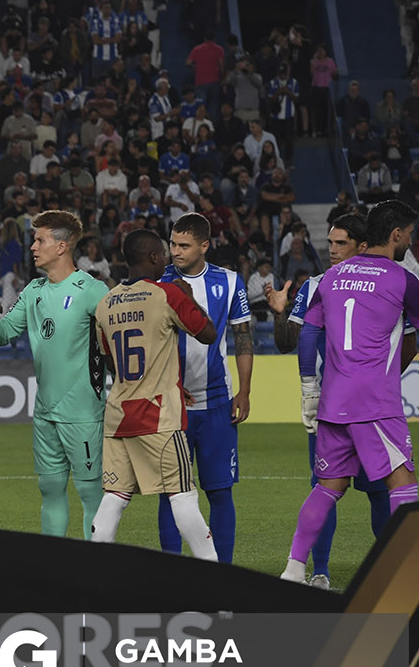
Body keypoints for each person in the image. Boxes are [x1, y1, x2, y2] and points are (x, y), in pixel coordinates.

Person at [264, 213, 415, 587]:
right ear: (396, 235)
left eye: (339, 242)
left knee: (328, 487)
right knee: (403, 483)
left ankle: (294, 569)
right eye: (410, 235)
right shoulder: (400, 278)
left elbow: (307, 332)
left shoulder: (328, 279)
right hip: (375, 402)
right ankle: (405, 573)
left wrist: (309, 390)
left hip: (334, 400)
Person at [89, 230, 219, 560]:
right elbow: (207, 333)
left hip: (118, 414)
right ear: (151, 258)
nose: (166, 259)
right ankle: (216, 574)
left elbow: (111, 362)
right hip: (158, 414)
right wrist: (187, 296)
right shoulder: (167, 294)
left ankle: (90, 573)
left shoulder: (105, 304)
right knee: (183, 496)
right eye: (162, 254)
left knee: (115, 496)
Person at [0, 210, 110, 538]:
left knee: (90, 494)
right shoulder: (33, 291)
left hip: (83, 412)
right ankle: (53, 569)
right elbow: (2, 334)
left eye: (40, 239)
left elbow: (117, 343)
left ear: (61, 246)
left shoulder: (92, 289)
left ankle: (96, 573)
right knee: (50, 490)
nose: (33, 246)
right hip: (44, 412)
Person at [157, 213, 252, 563]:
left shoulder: (229, 282)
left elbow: (242, 337)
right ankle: (172, 569)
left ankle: (221, 572)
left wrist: (244, 391)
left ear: (204, 246)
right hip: (171, 405)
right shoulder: (158, 281)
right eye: (172, 244)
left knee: (220, 492)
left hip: (216, 404)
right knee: (171, 493)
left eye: (184, 245)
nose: (175, 251)